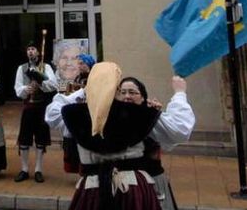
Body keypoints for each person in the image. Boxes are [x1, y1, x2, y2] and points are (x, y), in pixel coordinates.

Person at [60, 63, 194, 210]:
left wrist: (80, 94)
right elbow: (180, 130)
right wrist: (180, 94)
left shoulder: (73, 114)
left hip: (92, 190)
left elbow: (51, 113)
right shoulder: (138, 114)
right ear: (115, 87)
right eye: (120, 89)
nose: (125, 95)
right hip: (131, 190)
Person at [118, 76, 193, 210]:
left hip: (151, 182)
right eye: (122, 92)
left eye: (132, 92)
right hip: (121, 185)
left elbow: (177, 133)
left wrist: (179, 94)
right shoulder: (111, 116)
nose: (127, 96)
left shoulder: (148, 116)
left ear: (143, 98)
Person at [14, 42, 57, 183]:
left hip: (41, 107)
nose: (31, 51)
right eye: (29, 49)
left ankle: (38, 169)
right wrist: (26, 89)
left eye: (33, 49)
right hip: (28, 107)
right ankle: (24, 169)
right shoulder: (22, 68)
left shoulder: (46, 67)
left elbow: (53, 85)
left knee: (40, 139)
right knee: (25, 139)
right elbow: (17, 89)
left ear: (38, 53)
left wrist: (41, 83)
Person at [47, 53, 96, 174]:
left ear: (88, 64)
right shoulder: (77, 78)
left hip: (88, 117)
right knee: (74, 148)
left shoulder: (94, 77)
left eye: (81, 63)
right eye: (78, 63)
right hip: (76, 115)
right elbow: (64, 92)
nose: (79, 66)